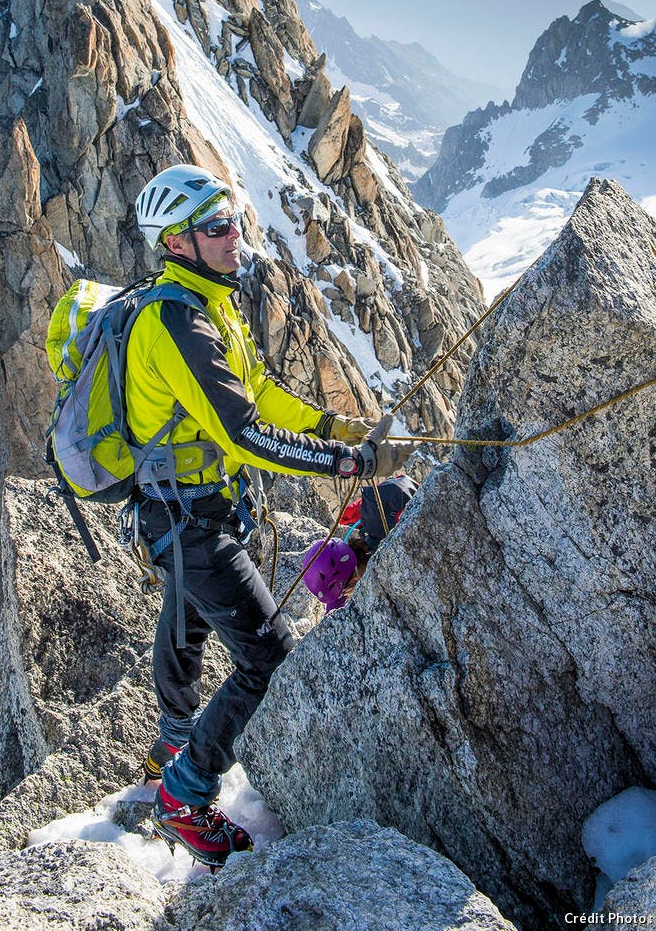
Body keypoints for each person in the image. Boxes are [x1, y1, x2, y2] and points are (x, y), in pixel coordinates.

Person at [128, 163, 416, 867]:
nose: (235, 238)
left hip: (194, 511)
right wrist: (346, 466)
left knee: (188, 613)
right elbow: (244, 434)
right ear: (177, 242)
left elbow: (261, 396)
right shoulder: (176, 322)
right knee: (269, 657)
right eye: (216, 227)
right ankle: (185, 793)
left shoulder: (210, 305)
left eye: (233, 221)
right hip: (186, 518)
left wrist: (337, 427)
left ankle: (173, 739)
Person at [302, 473, 419, 612]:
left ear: (354, 580)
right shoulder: (367, 531)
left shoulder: (387, 562)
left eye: (346, 591)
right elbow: (344, 572)